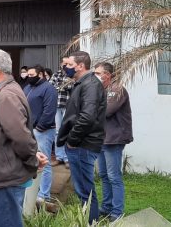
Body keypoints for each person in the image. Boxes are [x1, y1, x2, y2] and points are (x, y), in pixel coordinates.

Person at [0, 50, 48, 227]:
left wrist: (32, 159)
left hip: (5, 176)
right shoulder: (1, 91)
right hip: (0, 173)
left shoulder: (6, 95)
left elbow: (20, 136)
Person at [57, 51, 106, 223]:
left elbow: (87, 117)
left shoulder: (90, 85)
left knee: (86, 191)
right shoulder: (82, 83)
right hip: (81, 144)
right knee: (84, 190)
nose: (65, 68)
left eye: (69, 65)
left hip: (82, 145)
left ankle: (90, 222)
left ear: (81, 65)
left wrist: (72, 141)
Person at [94, 62, 133, 221]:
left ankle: (117, 212)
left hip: (114, 139)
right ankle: (107, 207)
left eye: (97, 73)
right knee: (104, 175)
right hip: (102, 138)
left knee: (113, 176)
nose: (94, 75)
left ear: (107, 75)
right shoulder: (101, 89)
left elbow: (106, 111)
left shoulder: (117, 90)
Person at [23, 65, 58, 207]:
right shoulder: (27, 88)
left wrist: (39, 127)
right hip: (28, 130)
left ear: (41, 74)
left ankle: (44, 194)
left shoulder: (48, 89)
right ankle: (32, 189)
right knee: (31, 159)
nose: (29, 76)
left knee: (44, 162)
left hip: (42, 131)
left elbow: (49, 110)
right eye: (28, 74)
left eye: (32, 74)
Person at [49, 56, 73, 168]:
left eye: (68, 63)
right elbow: (51, 87)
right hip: (57, 106)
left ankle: (68, 158)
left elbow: (70, 86)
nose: (65, 65)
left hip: (68, 106)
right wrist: (63, 85)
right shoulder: (56, 74)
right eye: (64, 63)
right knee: (58, 131)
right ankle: (59, 157)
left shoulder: (72, 73)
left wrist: (61, 86)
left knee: (68, 131)